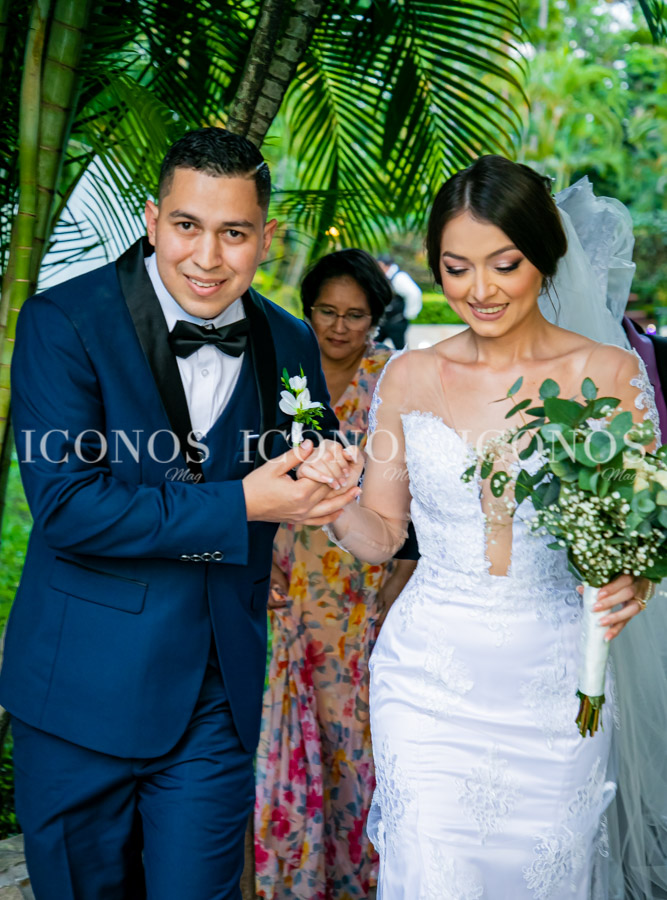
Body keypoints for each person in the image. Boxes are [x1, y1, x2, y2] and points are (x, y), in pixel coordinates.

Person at [1, 128, 360, 900]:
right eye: (187, 226)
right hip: (79, 694)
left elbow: (315, 443)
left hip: (214, 693)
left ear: (265, 237)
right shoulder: (63, 322)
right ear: (152, 219)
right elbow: (69, 507)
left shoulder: (290, 340)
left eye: (233, 233)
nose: (207, 257)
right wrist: (243, 503)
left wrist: (331, 467)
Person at [310, 156, 663, 898]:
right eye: (456, 267)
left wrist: (636, 577)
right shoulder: (409, 376)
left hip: (557, 684)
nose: (479, 289)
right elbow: (382, 534)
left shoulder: (606, 375)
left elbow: (639, 526)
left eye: (504, 264)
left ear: (545, 256)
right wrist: (329, 502)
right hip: (427, 681)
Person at [254, 249, 417, 899]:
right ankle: (289, 879)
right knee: (278, 737)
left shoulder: (393, 383)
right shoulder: (279, 370)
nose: (339, 326)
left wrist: (397, 590)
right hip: (280, 578)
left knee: (354, 742)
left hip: (360, 590)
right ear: (308, 310)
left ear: (376, 319)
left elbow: (415, 499)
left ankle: (356, 882)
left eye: (355, 315)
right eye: (326, 311)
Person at [376, 256, 422, 349]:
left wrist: (408, 314)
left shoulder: (399, 277)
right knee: (373, 346)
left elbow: (414, 294)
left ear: (386, 265)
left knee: (400, 349)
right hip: (384, 322)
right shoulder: (385, 277)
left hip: (397, 321)